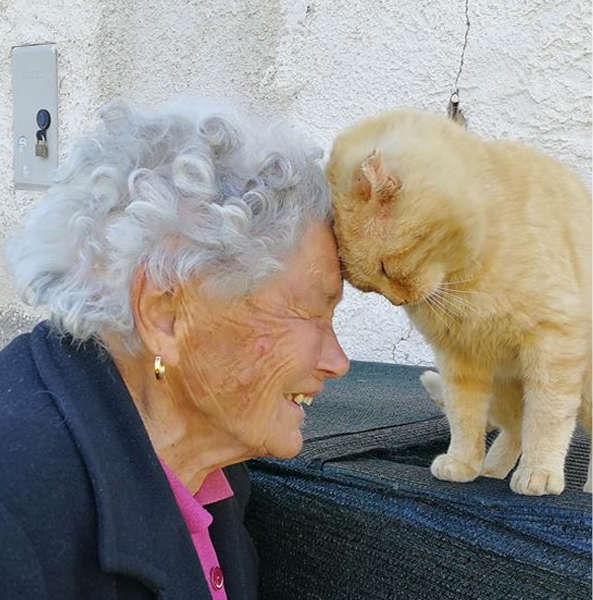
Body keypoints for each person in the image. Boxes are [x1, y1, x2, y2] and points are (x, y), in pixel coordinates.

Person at [0, 98, 349, 599]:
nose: (336, 362)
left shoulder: (207, 473)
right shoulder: (15, 515)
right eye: (312, 311)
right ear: (166, 314)